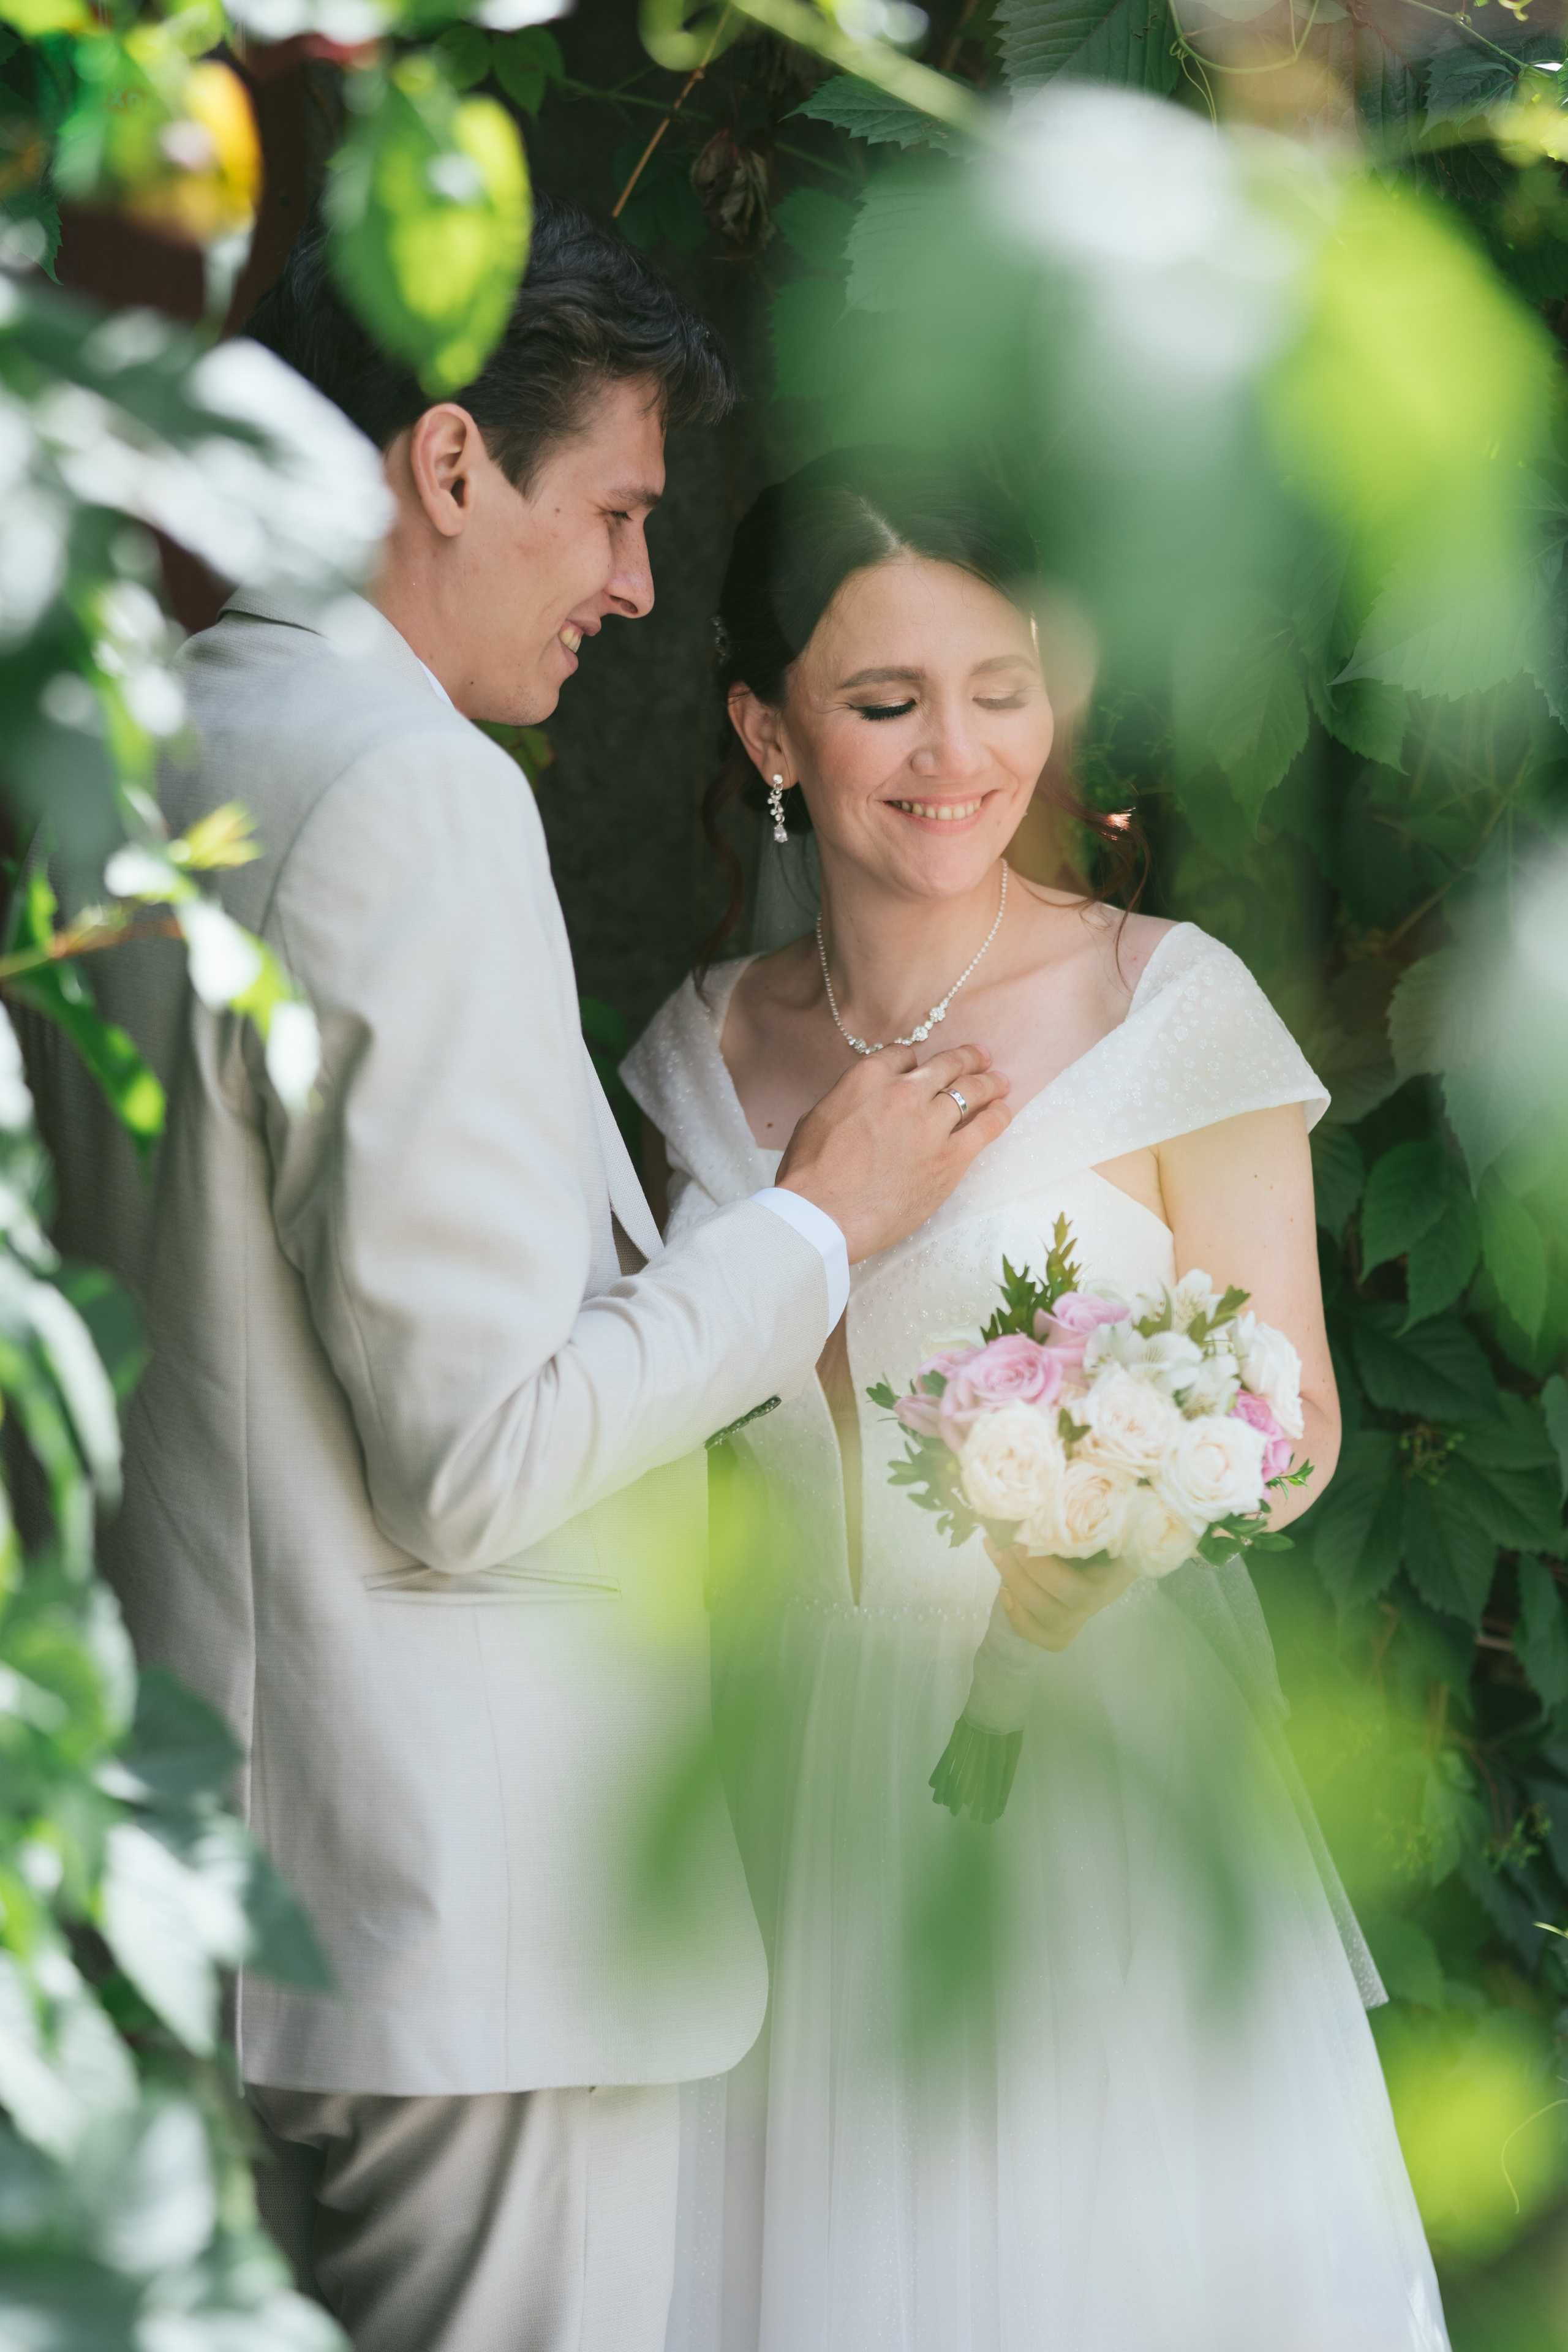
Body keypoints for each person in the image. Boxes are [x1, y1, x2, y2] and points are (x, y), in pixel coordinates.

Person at [26, 216, 1012, 2352]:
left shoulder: (108, 754)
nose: (640, 586)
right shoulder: (410, 792)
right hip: (450, 1932)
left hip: (178, 1895)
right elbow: (478, 1459)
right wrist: (814, 1225)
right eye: (620, 513)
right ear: (453, 463)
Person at [623, 448, 1450, 2352]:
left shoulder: (1170, 1007)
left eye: (999, 690)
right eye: (884, 702)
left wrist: (1124, 1528)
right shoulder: (695, 1049)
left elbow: (1295, 1416)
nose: (955, 753)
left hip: (1093, 1755)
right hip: (776, 1783)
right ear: (769, 730)